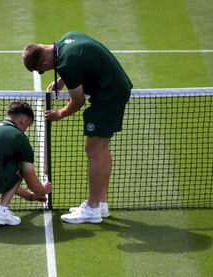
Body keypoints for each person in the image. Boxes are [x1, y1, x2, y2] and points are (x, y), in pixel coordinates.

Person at [22, 32, 132, 224]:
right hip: (115, 88)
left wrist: (60, 114)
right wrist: (62, 81)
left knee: (94, 150)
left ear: (43, 64)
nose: (45, 73)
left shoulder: (66, 64)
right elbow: (78, 61)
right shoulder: (66, 39)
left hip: (108, 96)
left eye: (42, 71)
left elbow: (78, 100)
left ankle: (91, 208)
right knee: (101, 149)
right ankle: (101, 204)